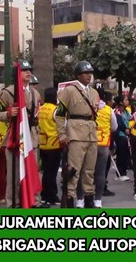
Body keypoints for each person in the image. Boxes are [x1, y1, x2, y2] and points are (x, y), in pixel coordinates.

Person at [0, 60, 43, 208]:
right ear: (17, 73)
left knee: (33, 171)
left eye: (29, 70)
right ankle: (13, 203)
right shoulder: (8, 92)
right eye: (24, 70)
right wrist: (8, 113)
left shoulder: (35, 93)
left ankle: (34, 201)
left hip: (32, 137)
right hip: (15, 137)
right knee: (14, 174)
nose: (28, 72)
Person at [54, 60, 100, 208]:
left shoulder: (94, 92)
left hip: (91, 134)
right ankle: (69, 199)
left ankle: (88, 199)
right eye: (86, 73)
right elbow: (59, 114)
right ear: (78, 75)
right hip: (75, 132)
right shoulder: (69, 90)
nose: (89, 76)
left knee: (90, 170)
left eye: (90, 73)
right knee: (74, 170)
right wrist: (62, 134)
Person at [77, 91, 117, 208]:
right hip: (102, 145)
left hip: (86, 143)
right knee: (100, 173)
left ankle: (80, 199)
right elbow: (114, 127)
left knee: (83, 172)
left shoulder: (84, 107)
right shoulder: (109, 110)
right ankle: (98, 200)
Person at [38, 87, 61, 206]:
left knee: (45, 171)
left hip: (42, 144)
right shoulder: (56, 110)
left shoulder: (40, 109)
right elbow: (61, 126)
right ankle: (52, 195)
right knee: (52, 172)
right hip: (54, 144)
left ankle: (44, 195)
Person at [113, 96, 132, 181]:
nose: (128, 101)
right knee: (121, 154)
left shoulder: (126, 111)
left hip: (127, 134)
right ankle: (120, 173)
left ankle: (124, 171)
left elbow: (130, 120)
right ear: (121, 102)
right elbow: (119, 123)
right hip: (120, 134)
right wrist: (125, 130)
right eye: (126, 100)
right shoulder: (117, 111)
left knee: (126, 154)